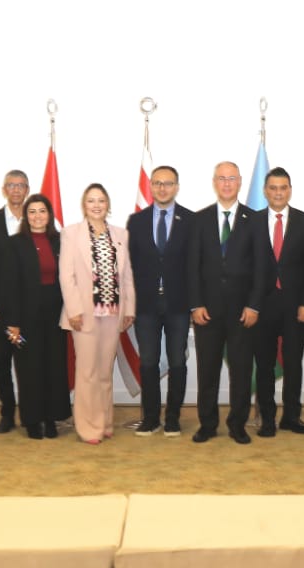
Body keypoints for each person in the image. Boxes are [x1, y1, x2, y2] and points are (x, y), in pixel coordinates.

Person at [187, 162, 269, 444]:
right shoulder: (199, 220)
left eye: (231, 178)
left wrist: (254, 305)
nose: (226, 183)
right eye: (221, 178)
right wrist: (196, 304)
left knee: (242, 372)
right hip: (207, 311)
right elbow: (192, 266)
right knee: (207, 370)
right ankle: (207, 424)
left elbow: (261, 268)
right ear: (214, 182)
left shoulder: (255, 220)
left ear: (240, 182)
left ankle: (237, 424)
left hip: (242, 312)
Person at [59, 184, 135, 444]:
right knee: (87, 373)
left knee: (104, 372)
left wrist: (129, 309)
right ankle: (88, 427)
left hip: (113, 314)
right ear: (84, 205)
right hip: (83, 316)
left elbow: (126, 276)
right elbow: (66, 276)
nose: (96, 205)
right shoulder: (71, 234)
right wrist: (74, 311)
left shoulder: (121, 234)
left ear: (107, 204)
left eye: (101, 200)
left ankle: (104, 422)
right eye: (91, 200)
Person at [126, 165, 194, 437]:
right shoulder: (137, 221)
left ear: (176, 187)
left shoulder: (191, 220)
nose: (162, 188)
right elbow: (129, 266)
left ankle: (173, 418)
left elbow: (195, 266)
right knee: (148, 363)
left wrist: (195, 303)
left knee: (177, 362)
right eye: (157, 183)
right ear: (151, 186)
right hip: (146, 305)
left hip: (179, 304)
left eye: (168, 183)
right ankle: (151, 418)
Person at [254, 167, 304, 438]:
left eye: (283, 188)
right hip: (263, 307)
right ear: (265, 191)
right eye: (273, 188)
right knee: (264, 366)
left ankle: (291, 417)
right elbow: (247, 266)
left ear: (290, 190)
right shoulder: (253, 222)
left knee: (293, 364)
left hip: (296, 307)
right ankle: (267, 419)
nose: (278, 193)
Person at [0, 194, 71, 439]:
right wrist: (12, 323)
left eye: (42, 211)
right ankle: (31, 420)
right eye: (32, 211)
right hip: (24, 317)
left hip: (55, 315)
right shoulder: (14, 243)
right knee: (28, 368)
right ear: (25, 216)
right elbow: (8, 285)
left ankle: (51, 418)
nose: (37, 216)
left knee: (53, 366)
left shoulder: (60, 241)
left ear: (49, 215)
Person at [0, 170, 29, 433]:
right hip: (0, 311)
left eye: (21, 185)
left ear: (27, 190)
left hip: (27, 311)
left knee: (26, 363)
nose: (16, 190)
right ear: (4, 190)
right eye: (11, 185)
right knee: (2, 363)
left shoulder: (36, 218)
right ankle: (7, 413)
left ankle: (29, 413)